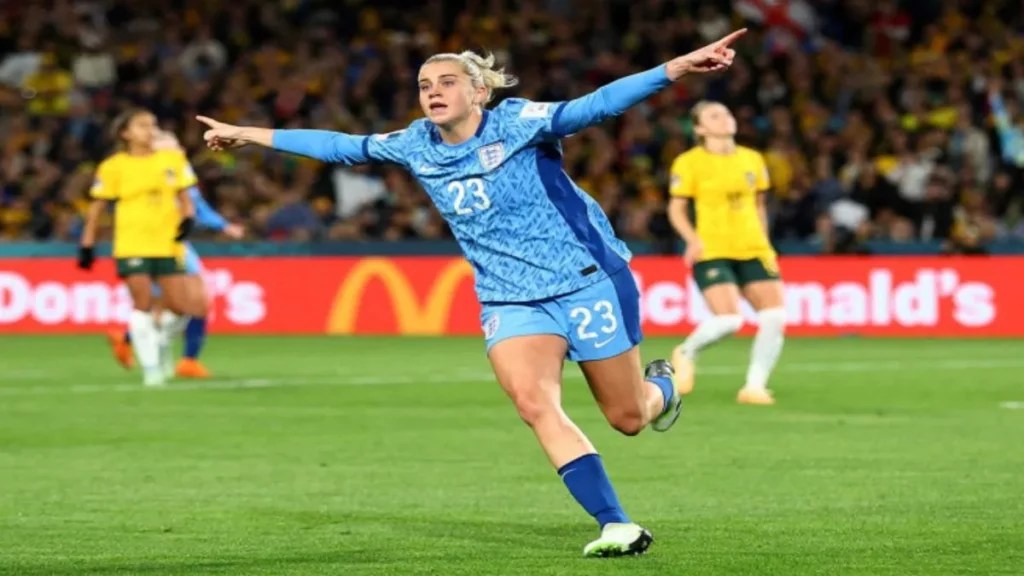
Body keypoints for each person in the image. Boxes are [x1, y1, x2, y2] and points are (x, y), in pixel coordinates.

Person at [195, 30, 746, 557]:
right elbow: (341, 146)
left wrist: (673, 69)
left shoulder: (521, 122)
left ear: (479, 91)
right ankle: (616, 524)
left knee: (628, 418)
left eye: (446, 81)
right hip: (510, 300)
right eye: (423, 84)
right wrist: (249, 133)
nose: (432, 90)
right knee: (535, 404)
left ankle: (661, 390)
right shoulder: (415, 144)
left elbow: (594, 105)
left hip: (588, 280)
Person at [667, 101, 786, 406]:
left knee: (774, 316)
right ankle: (686, 352)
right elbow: (676, 208)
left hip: (753, 247)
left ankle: (754, 387)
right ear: (699, 129)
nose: (725, 119)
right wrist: (692, 240)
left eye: (727, 113)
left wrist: (766, 243)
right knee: (730, 320)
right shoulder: (689, 162)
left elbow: (759, 206)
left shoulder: (752, 159)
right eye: (714, 116)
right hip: (713, 248)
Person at [79, 108, 203, 387]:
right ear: (125, 133)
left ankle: (158, 342)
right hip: (132, 243)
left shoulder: (173, 159)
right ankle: (152, 370)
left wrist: (188, 218)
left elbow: (185, 196)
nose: (150, 130)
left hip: (168, 243)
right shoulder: (114, 166)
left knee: (181, 307)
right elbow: (97, 208)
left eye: (153, 124)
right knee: (142, 304)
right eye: (142, 125)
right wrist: (87, 243)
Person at [106, 130, 245, 379]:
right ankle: (182, 358)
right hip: (163, 247)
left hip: (173, 246)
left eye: (178, 146)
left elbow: (198, 209)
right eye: (171, 148)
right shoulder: (161, 180)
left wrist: (224, 226)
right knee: (192, 303)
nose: (179, 151)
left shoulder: (177, 176)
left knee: (172, 305)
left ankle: (130, 340)